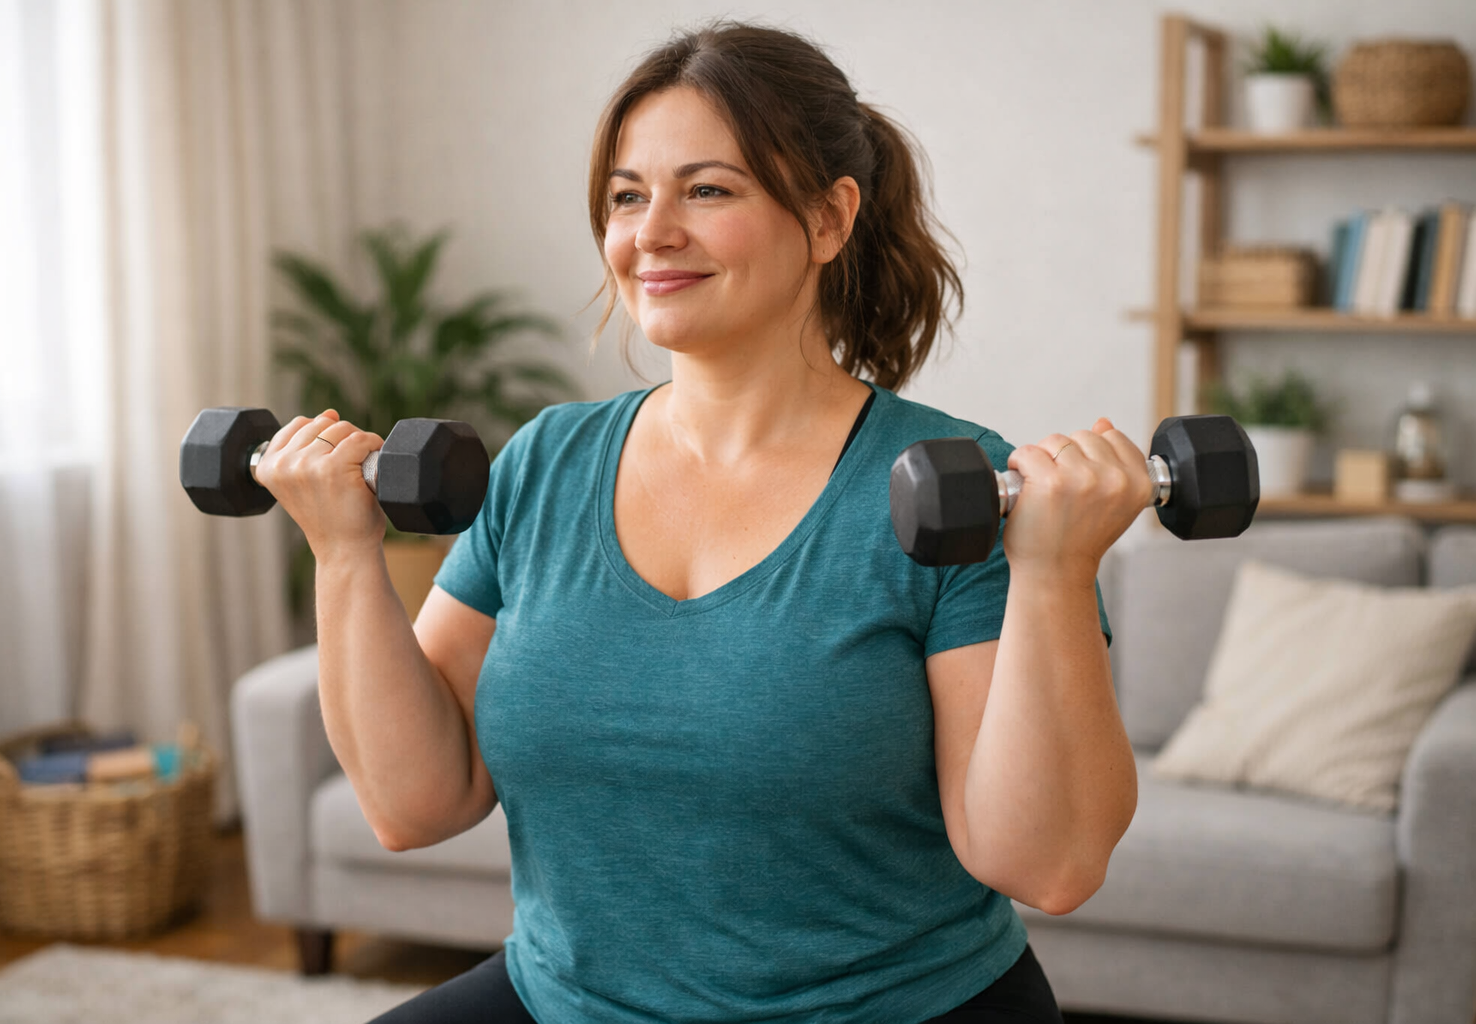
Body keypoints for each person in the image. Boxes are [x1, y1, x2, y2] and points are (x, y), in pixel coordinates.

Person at [256, 21, 1148, 1024]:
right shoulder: (548, 462)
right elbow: (413, 801)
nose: (652, 233)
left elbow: (1051, 862)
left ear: (827, 218)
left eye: (708, 189)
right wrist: (343, 552)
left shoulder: (954, 485)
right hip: (573, 1001)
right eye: (628, 195)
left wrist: (1056, 576)